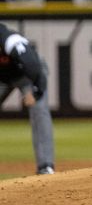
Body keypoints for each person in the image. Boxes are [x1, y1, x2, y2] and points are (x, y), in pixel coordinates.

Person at [0, 23, 55, 174]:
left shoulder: (10, 40)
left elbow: (33, 66)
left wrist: (35, 92)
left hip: (28, 76)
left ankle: (45, 166)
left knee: (39, 111)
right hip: (3, 78)